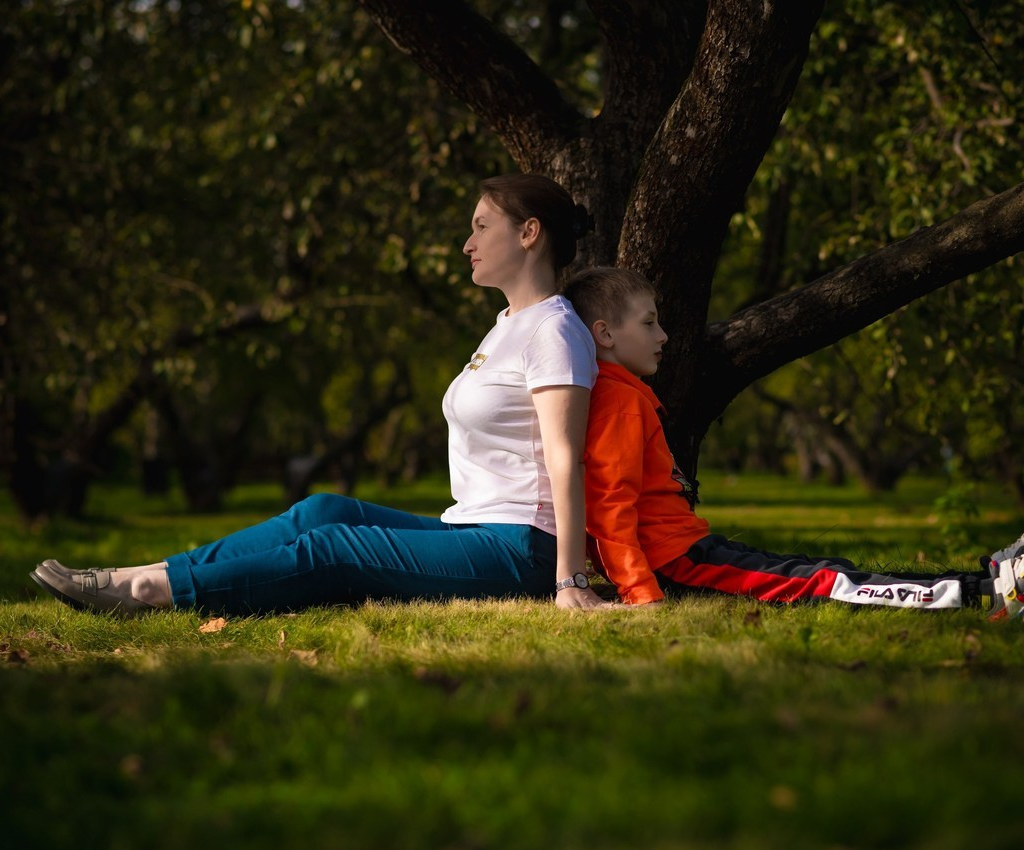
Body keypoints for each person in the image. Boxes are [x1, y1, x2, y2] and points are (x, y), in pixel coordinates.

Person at [31, 174, 617, 614]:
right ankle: (142, 570)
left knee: (338, 546)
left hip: (524, 548)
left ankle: (148, 592)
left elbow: (567, 458)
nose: (467, 243)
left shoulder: (553, 329)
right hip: (473, 527)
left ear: (530, 233)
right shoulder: (506, 325)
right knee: (322, 510)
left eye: (480, 226)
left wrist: (569, 582)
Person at [561, 266, 1024, 620]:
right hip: (676, 562)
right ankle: (991, 593)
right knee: (820, 581)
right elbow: (609, 504)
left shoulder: (626, 395)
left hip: (689, 550)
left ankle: (988, 579)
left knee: (826, 571)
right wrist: (639, 591)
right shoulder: (619, 400)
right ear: (605, 334)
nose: (664, 335)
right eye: (649, 323)